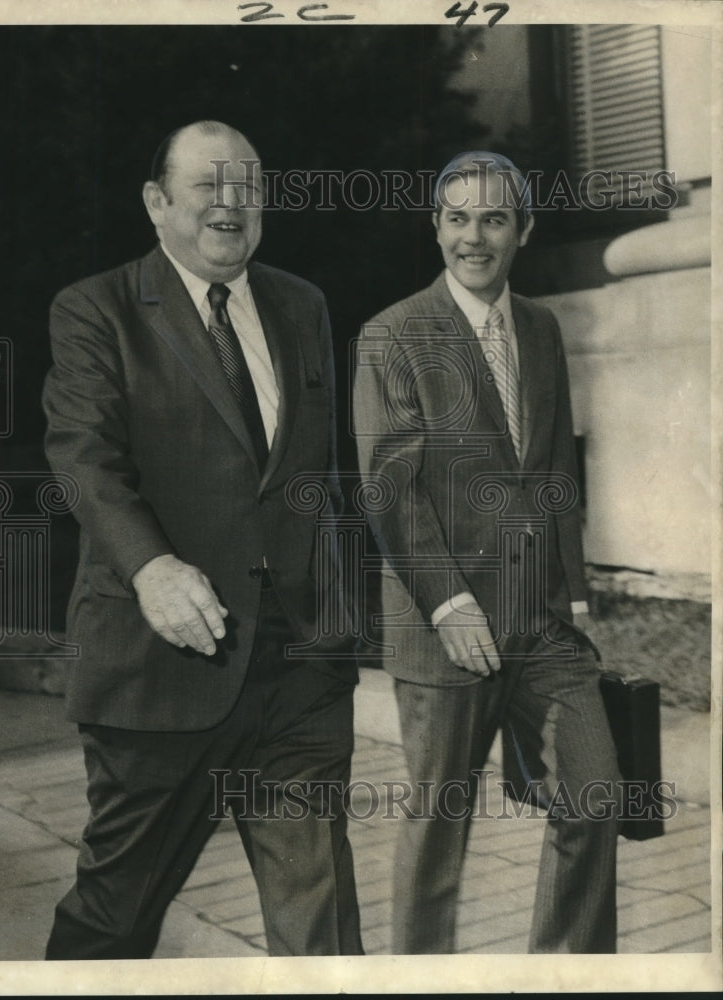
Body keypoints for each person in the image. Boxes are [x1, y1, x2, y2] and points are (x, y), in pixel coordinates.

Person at [42, 120, 362, 959]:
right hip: (162, 666)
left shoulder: (302, 305)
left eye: (249, 186)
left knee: (319, 921)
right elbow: (83, 458)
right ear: (157, 204)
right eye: (208, 186)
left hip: (298, 672)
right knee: (114, 917)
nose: (233, 204)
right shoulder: (96, 309)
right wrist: (150, 567)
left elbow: (310, 477)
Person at [353, 151, 621, 954]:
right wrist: (447, 601)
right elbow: (389, 487)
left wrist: (574, 600)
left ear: (524, 229)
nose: (475, 236)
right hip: (445, 630)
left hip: (541, 624)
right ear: (436, 225)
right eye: (459, 217)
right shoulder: (393, 333)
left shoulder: (539, 326)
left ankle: (567, 971)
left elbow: (555, 474)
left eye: (494, 218)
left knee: (597, 794)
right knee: (439, 832)